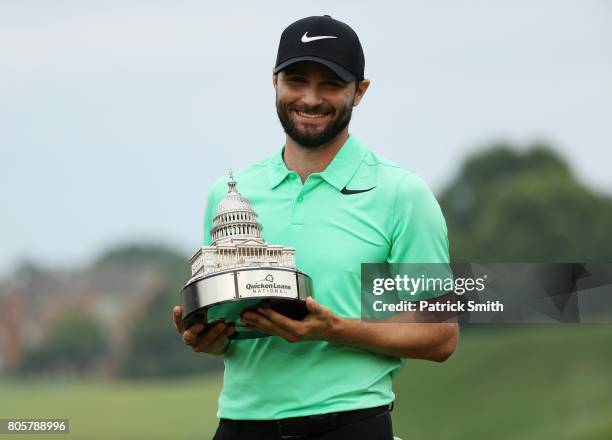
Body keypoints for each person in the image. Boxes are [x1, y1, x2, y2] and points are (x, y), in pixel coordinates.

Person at [172, 15, 458, 440]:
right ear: (274, 82)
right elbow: (230, 333)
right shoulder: (228, 191)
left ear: (359, 92)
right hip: (239, 425)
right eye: (297, 79)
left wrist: (333, 329)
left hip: (349, 423)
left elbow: (440, 336)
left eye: (330, 83)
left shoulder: (400, 193)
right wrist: (207, 336)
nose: (310, 97)